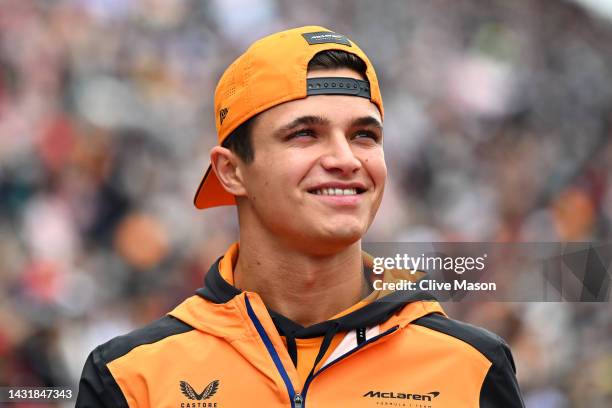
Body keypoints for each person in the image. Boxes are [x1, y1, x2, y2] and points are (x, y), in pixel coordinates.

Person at [76, 26, 525, 407]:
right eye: (306, 134)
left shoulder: (472, 367)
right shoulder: (130, 377)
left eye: (364, 135)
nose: (345, 159)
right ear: (231, 171)